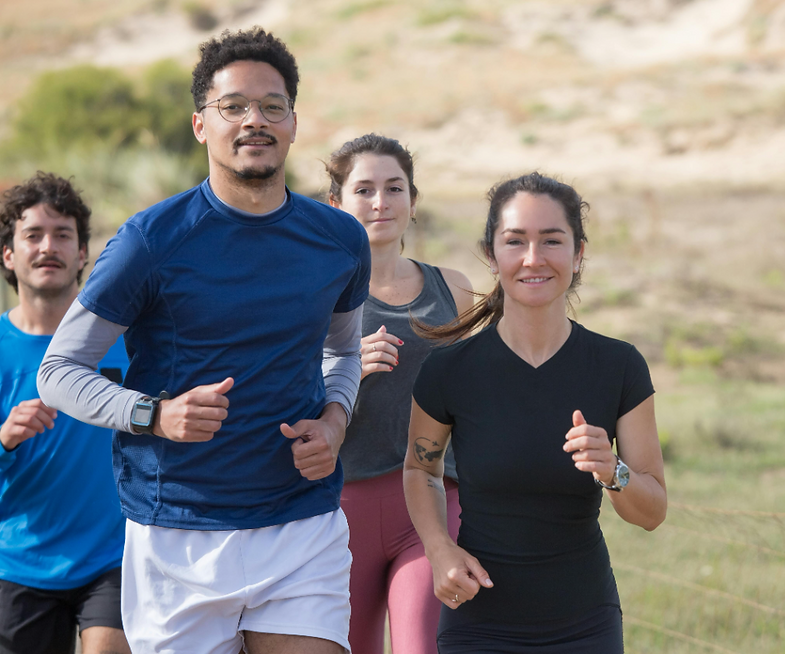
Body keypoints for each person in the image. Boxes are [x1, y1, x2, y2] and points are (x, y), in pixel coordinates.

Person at [37, 28, 371, 654]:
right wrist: (154, 414)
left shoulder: (339, 240)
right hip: (176, 533)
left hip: (301, 523)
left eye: (273, 106)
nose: (255, 121)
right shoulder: (149, 242)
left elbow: (342, 353)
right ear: (200, 125)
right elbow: (59, 370)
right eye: (233, 107)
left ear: (294, 123)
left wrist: (334, 420)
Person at [403, 172, 668, 653]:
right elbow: (420, 470)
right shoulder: (449, 370)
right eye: (515, 241)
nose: (533, 258)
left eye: (552, 241)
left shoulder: (618, 366)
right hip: (477, 623)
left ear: (579, 252)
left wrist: (613, 471)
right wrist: (438, 548)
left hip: (585, 624)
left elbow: (652, 512)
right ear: (491, 253)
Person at [325, 134, 473, 654]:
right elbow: (279, 398)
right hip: (341, 507)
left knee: (420, 646)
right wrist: (341, 368)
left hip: (433, 500)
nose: (381, 202)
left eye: (395, 188)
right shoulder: (315, 297)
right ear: (336, 204)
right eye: (364, 189)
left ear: (414, 200)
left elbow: (481, 393)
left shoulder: (453, 290)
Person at [0, 172, 130, 654]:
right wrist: (4, 439)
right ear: (9, 255)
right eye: (32, 235)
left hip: (113, 557)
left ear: (82, 255)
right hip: (20, 564)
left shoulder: (121, 342)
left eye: (62, 235)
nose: (47, 246)